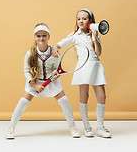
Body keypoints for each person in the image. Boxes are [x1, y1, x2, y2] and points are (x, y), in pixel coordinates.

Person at [6, 23, 80, 139]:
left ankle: (73, 127)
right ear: (35, 37)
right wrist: (34, 85)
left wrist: (56, 75)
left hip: (51, 82)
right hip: (34, 82)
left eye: (44, 35)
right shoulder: (30, 53)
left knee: (64, 101)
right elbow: (26, 71)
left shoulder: (54, 53)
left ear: (48, 37)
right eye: (38, 36)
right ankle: (11, 128)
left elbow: (56, 69)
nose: (41, 38)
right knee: (23, 102)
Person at [52, 9, 111, 138]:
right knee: (84, 96)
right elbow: (60, 44)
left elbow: (98, 53)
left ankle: (100, 127)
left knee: (102, 97)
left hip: (95, 66)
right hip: (83, 68)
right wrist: (55, 47)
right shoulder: (74, 35)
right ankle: (87, 127)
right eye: (79, 18)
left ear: (90, 20)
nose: (81, 21)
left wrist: (95, 37)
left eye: (84, 18)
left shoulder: (94, 34)